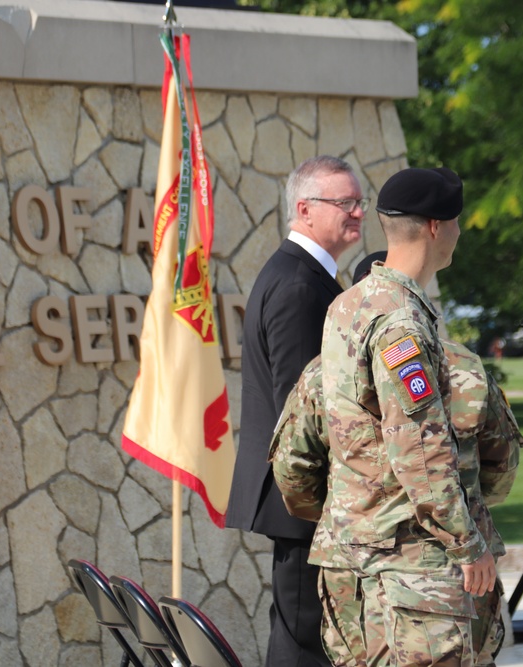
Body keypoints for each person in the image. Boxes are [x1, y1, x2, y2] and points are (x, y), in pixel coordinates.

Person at [269, 247, 523, 665]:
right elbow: (500, 468)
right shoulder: (467, 368)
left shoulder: (321, 375)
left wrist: (344, 510)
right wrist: (460, 511)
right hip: (439, 564)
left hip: (351, 560)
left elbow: (293, 470)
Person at [318, 167, 496, 666]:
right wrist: (468, 544)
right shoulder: (402, 322)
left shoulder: (347, 306)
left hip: (354, 556)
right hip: (408, 567)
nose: (458, 234)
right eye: (457, 223)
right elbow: (420, 447)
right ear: (437, 227)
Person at [227, 155, 367, 666]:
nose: (357, 212)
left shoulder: (304, 275)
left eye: (359, 202)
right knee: (304, 638)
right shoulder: (299, 285)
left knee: (300, 634)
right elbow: (303, 405)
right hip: (305, 499)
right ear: (305, 209)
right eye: (344, 203)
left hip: (301, 498)